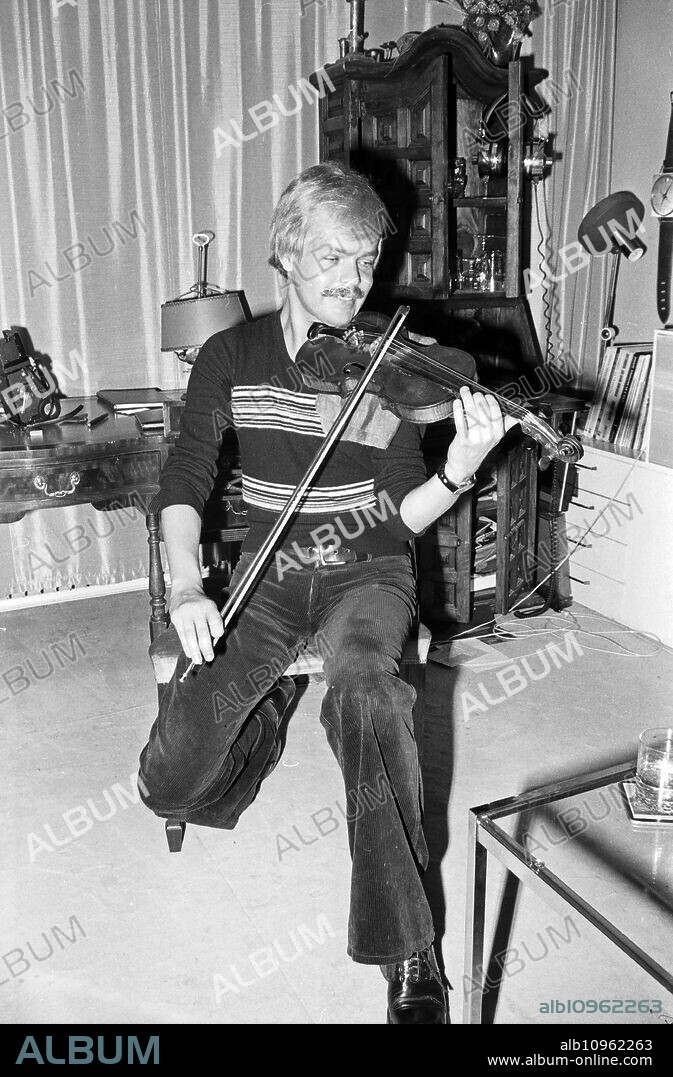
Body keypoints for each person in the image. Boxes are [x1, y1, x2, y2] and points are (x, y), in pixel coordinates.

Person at [138, 162, 514, 1024]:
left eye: (366, 262)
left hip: (367, 572)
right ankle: (262, 723)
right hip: (266, 578)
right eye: (332, 260)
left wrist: (456, 471)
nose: (352, 282)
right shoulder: (232, 354)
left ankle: (407, 951)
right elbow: (186, 477)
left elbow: (399, 510)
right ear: (285, 256)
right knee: (171, 782)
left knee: (367, 692)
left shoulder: (382, 369)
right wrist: (189, 586)